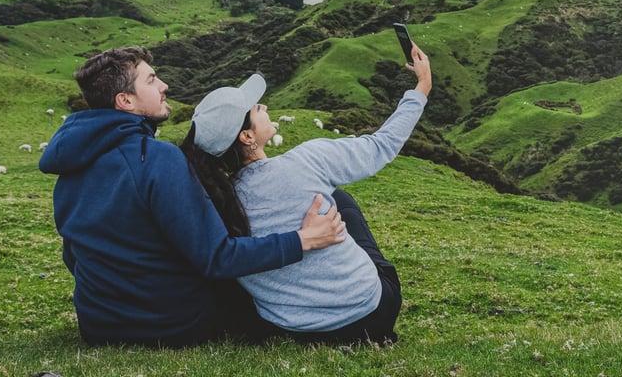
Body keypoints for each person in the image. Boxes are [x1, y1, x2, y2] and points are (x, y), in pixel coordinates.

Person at [38, 46, 347, 347]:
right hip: (173, 325)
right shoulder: (157, 158)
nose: (163, 85)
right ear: (126, 100)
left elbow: (73, 256)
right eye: (151, 80)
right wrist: (303, 239)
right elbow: (218, 258)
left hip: (99, 326)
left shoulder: (70, 167)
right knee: (340, 204)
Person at [180, 44, 432, 345]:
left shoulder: (218, 204)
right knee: (341, 201)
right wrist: (422, 87)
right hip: (371, 314)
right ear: (247, 137)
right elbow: (381, 146)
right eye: (254, 107)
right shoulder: (307, 160)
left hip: (296, 330)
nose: (261, 105)